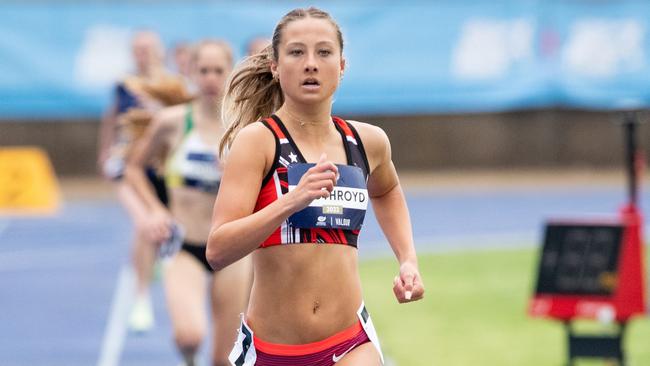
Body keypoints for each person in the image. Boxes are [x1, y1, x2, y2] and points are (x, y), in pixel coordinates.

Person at [206, 7, 424, 366]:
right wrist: (291, 201)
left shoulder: (367, 141)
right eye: (296, 52)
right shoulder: (258, 142)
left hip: (350, 344)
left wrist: (407, 260)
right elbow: (218, 250)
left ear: (341, 66)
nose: (311, 63)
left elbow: (386, 190)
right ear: (275, 66)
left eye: (324, 52)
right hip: (273, 353)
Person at [126, 40, 252, 366]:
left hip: (232, 248)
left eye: (218, 70)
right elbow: (134, 168)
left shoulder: (246, 126)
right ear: (190, 72)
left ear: (230, 73)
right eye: (203, 70)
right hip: (186, 245)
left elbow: (270, 180)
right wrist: (155, 210)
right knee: (189, 335)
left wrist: (239, 172)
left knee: (225, 358)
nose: (211, 78)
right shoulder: (173, 122)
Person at [97, 29, 190, 333]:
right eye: (137, 48)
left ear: (159, 51)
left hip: (163, 168)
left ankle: (166, 266)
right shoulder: (124, 85)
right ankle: (140, 299)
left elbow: (187, 120)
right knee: (144, 225)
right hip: (130, 167)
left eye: (148, 48)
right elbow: (111, 118)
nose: (143, 53)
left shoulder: (173, 86)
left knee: (167, 227)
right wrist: (105, 151)